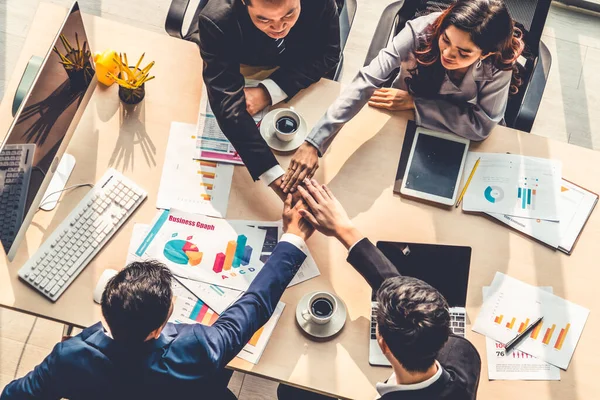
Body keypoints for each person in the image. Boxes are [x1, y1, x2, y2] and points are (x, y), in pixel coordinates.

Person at [0, 196, 313, 400]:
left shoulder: (68, 356)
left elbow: (14, 396)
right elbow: (254, 306)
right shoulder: (196, 350)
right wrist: (293, 239)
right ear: (156, 330)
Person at [279, 0, 525, 193]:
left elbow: (482, 125)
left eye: (463, 52)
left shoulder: (499, 63)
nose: (448, 54)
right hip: (399, 122)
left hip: (457, 141)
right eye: (445, 40)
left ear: (485, 53)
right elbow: (367, 80)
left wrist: (417, 104)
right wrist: (315, 142)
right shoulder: (421, 30)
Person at [277, 178, 481, 400]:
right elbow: (399, 295)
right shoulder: (463, 356)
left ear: (382, 342)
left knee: (290, 390)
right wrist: (344, 230)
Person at [192, 0, 341, 200]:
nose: (279, 28)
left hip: (299, 67)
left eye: (289, 14)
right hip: (248, 64)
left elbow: (329, 55)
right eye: (263, 19)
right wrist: (276, 179)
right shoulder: (217, 20)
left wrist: (269, 92)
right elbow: (226, 103)